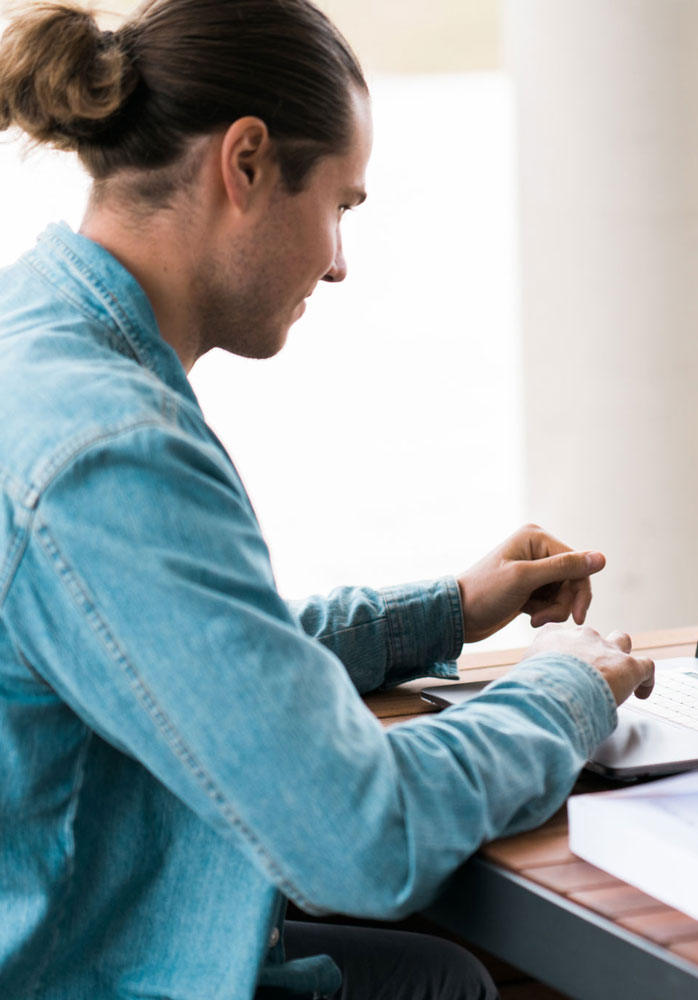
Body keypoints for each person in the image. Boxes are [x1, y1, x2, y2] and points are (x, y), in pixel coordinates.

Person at [0, 2, 656, 999]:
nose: (340, 260)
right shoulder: (110, 451)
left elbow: (189, 653)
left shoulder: (38, 334)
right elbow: (362, 833)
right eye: (341, 205)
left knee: (446, 975)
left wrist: (444, 610)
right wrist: (565, 686)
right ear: (247, 163)